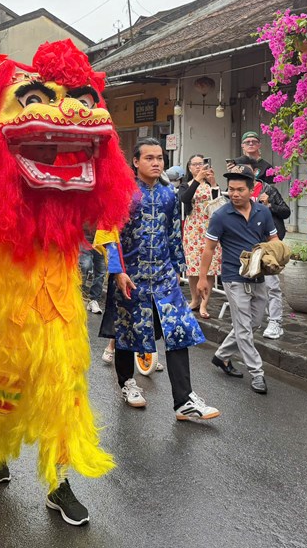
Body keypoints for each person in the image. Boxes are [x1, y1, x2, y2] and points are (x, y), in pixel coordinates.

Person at [100, 138, 220, 421]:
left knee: (178, 332)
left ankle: (184, 400)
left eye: (160, 158)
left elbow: (172, 233)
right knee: (127, 331)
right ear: (136, 162)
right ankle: (127, 383)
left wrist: (179, 266)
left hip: (164, 276)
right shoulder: (122, 193)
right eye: (150, 158)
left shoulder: (169, 194)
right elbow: (108, 233)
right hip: (130, 275)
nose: (156, 163)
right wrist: (117, 271)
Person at [199, 164, 280, 394]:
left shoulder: (263, 212)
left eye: (239, 190)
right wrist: (204, 278)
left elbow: (273, 240)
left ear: (251, 189)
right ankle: (257, 373)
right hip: (234, 277)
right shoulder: (220, 216)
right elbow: (209, 249)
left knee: (254, 323)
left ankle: (222, 356)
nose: (234, 194)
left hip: (259, 276)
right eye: (231, 189)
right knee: (244, 327)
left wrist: (278, 255)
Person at [233, 154, 291, 339]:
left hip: (267, 244)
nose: (240, 174)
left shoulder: (268, 189)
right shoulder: (234, 192)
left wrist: (270, 204)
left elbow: (285, 212)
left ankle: (275, 322)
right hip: (246, 243)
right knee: (248, 285)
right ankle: (251, 320)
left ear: (254, 171)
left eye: (244, 170)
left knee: (272, 285)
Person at [178, 154, 223, 319]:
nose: (198, 167)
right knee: (192, 268)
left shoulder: (211, 184)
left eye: (201, 164)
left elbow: (218, 202)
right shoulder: (187, 185)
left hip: (210, 227)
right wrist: (197, 179)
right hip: (193, 228)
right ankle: (195, 300)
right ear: (189, 168)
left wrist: (213, 183)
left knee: (209, 268)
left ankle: (204, 303)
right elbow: (185, 199)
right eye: (195, 164)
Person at [80, 225, 107, 314]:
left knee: (101, 271)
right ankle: (79, 296)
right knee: (84, 265)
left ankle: (93, 300)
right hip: (85, 236)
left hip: (102, 238)